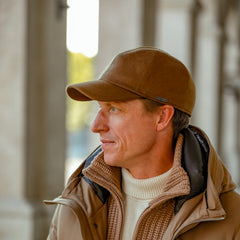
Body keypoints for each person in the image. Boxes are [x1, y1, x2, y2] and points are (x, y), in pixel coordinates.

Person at [45, 47, 240, 240]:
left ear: (162, 118)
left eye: (114, 109)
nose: (96, 126)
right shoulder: (75, 203)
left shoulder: (232, 221)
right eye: (100, 108)